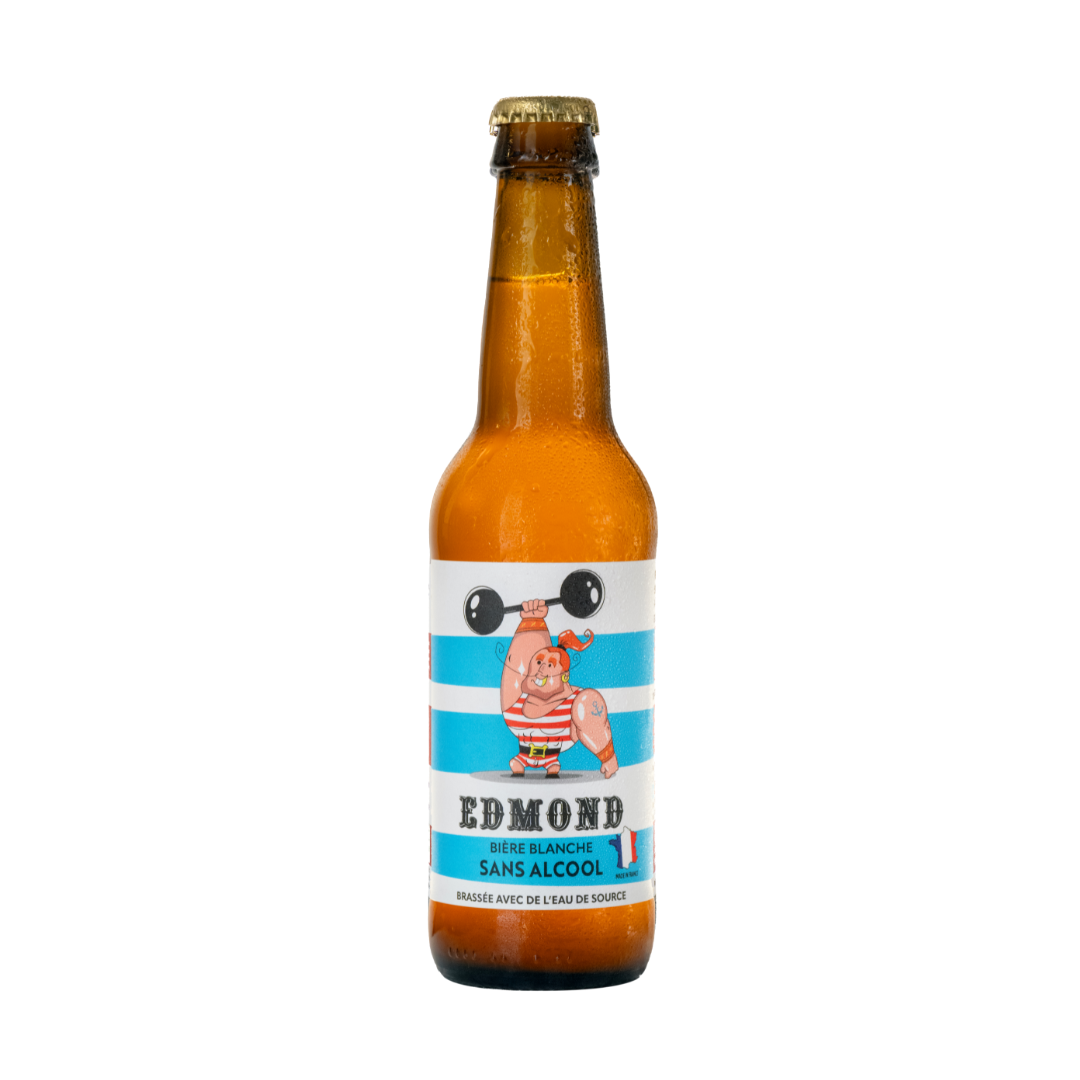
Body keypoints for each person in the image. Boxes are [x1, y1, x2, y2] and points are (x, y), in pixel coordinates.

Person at [500, 599, 617, 778]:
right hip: (523, 757)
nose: (541, 668)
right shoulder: (515, 704)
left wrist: (608, 758)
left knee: (586, 703)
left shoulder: (575, 704)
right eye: (538, 662)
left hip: (554, 758)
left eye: (550, 665)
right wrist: (533, 620)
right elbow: (518, 661)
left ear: (564, 676)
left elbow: (592, 719)